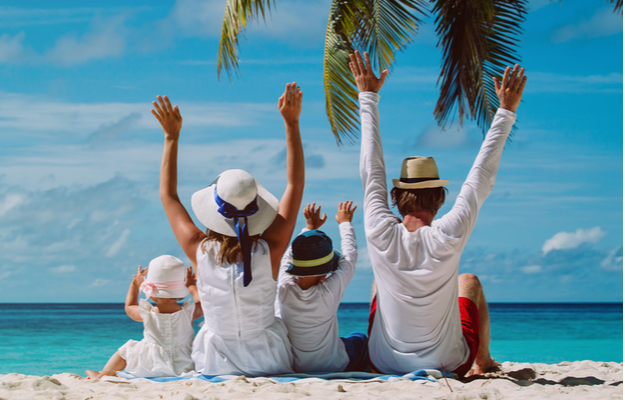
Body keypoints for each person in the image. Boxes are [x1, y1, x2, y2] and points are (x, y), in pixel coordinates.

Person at [350, 50, 527, 377]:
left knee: (380, 282)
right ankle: (484, 361)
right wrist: (505, 112)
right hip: (448, 363)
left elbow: (370, 168)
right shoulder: (448, 233)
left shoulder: (378, 228)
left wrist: (368, 97)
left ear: (394, 196)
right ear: (441, 197)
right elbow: (480, 179)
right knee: (468, 281)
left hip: (382, 363)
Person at [150, 82, 305, 376]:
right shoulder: (269, 249)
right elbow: (295, 185)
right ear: (257, 208)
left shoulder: (199, 248)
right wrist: (291, 123)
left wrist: (171, 138)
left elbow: (168, 196)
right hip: (268, 358)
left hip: (215, 360)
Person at [275, 201, 370, 373]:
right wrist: (345, 223)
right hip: (334, 365)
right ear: (326, 272)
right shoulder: (328, 292)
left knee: (344, 340)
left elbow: (287, 258)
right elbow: (349, 258)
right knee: (359, 338)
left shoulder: (284, 288)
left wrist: (309, 228)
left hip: (295, 366)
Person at [85, 255, 203, 379]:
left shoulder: (147, 312)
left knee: (127, 349)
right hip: (185, 362)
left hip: (150, 362)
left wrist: (134, 285)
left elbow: (130, 307)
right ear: (179, 292)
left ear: (151, 293)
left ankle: (104, 374)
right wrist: (191, 286)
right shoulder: (189, 311)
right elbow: (202, 304)